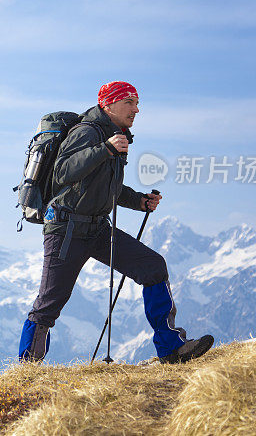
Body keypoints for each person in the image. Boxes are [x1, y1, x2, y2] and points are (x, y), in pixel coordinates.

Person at [18, 81, 213, 364]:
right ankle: (27, 368)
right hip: (66, 229)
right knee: (49, 303)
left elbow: (106, 188)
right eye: (129, 102)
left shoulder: (115, 136)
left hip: (97, 229)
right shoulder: (86, 132)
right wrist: (104, 150)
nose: (136, 109)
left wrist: (140, 201)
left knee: (153, 267)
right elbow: (62, 173)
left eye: (137, 103)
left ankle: (172, 349)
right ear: (108, 104)